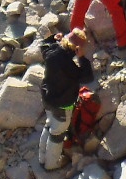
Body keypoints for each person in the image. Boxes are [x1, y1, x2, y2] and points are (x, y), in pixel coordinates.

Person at [39, 28, 94, 169]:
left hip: (47, 97)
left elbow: (43, 46)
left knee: (49, 124)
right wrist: (82, 58)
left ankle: (42, 157)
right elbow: (87, 77)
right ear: (76, 49)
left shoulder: (52, 51)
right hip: (62, 105)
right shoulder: (68, 64)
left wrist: (52, 38)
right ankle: (51, 164)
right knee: (57, 134)